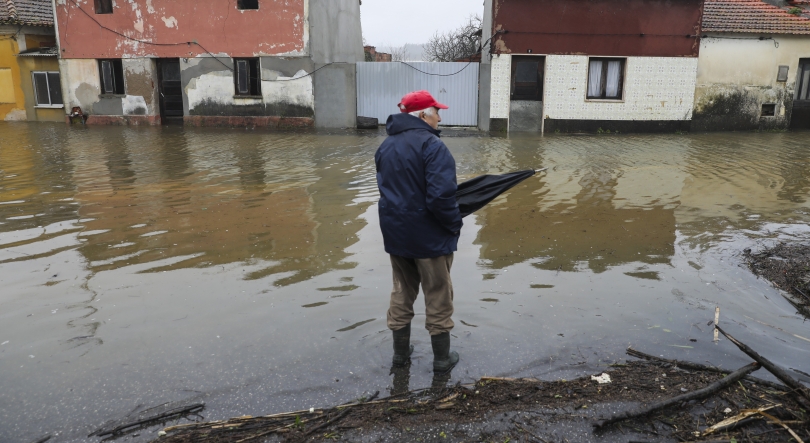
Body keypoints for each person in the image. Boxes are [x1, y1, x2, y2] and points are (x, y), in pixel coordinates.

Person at [374, 90, 462, 373]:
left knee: (401, 290)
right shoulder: (433, 147)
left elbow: (388, 191)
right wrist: (454, 225)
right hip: (430, 238)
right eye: (437, 112)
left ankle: (400, 356)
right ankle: (441, 360)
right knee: (438, 293)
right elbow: (441, 198)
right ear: (422, 115)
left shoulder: (385, 147)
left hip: (396, 235)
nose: (439, 118)